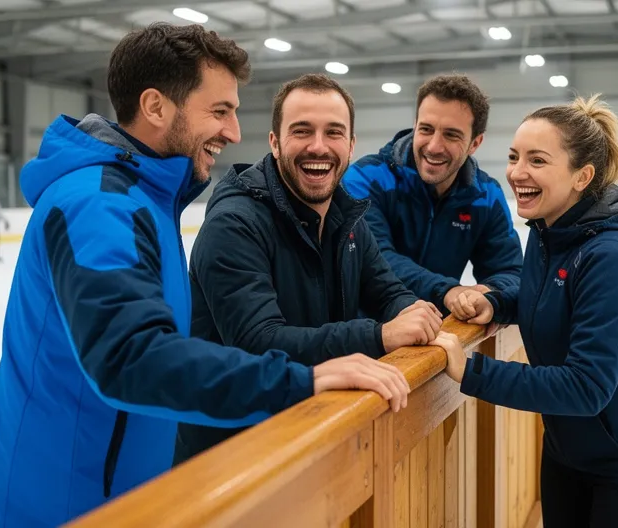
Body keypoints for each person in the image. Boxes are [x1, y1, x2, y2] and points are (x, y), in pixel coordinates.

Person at [0, 23, 410, 528]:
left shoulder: (146, 199)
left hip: (124, 496)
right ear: (156, 107)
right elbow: (133, 357)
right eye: (219, 111)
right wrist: (300, 380)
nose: (234, 132)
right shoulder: (100, 205)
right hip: (61, 508)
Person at [435, 95, 618, 527]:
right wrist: (495, 302)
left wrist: (473, 371)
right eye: (514, 157)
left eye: (537, 160)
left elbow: (586, 386)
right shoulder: (547, 233)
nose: (517, 172)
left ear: (582, 176)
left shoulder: (612, 257)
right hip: (568, 453)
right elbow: (547, 298)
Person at [179, 73, 443, 462]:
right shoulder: (234, 224)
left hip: (312, 429)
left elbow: (385, 290)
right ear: (275, 142)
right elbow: (260, 343)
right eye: (302, 131)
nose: (318, 146)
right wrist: (380, 336)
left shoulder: (344, 215)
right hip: (233, 452)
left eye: (333, 132)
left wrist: (412, 310)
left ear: (350, 146)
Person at [342, 74, 522, 316]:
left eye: (451, 135)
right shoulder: (365, 178)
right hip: (366, 330)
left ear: (475, 143)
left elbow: (511, 272)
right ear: (415, 125)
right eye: (426, 129)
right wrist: (447, 291)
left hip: (436, 332)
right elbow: (375, 260)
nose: (434, 146)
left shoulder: (486, 196)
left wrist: (488, 293)